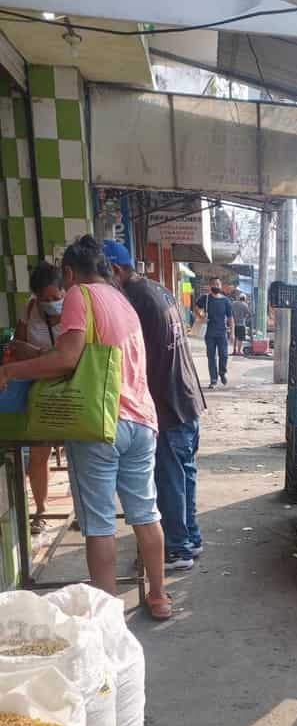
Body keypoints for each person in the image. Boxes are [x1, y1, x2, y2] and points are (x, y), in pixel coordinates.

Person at [0, 236, 171, 620]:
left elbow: (68, 358)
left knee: (99, 524)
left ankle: (107, 616)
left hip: (99, 425)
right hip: (142, 421)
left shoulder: (81, 294)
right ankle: (159, 597)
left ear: (69, 273)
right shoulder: (122, 299)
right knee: (145, 514)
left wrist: (10, 370)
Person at [102, 240, 207, 572]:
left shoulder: (132, 301)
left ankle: (176, 549)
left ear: (115, 271)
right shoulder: (156, 290)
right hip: (186, 397)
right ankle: (190, 538)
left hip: (167, 403)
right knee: (184, 474)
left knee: (169, 479)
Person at [10, 262, 65, 534]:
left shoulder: (75, 309)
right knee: (39, 453)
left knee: (80, 452)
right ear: (36, 298)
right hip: (39, 388)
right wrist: (42, 355)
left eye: (56, 298)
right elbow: (17, 347)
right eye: (46, 300)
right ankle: (40, 511)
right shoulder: (30, 309)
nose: (52, 304)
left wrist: (48, 356)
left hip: (70, 389)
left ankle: (84, 510)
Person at [197, 277, 234, 388]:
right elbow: (196, 308)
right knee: (211, 357)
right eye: (213, 284)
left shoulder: (226, 301)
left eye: (218, 284)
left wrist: (232, 333)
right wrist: (201, 317)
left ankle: (222, 373)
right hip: (209, 333)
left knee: (224, 355)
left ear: (221, 286)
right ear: (210, 286)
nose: (216, 286)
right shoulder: (205, 298)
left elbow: (230, 318)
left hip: (222, 333)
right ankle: (213, 379)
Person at [231, 290, 250, 356]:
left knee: (235, 337)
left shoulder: (233, 304)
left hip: (234, 324)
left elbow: (231, 313)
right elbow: (247, 314)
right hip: (241, 324)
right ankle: (239, 351)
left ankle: (234, 350)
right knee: (240, 338)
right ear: (244, 299)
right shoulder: (245, 305)